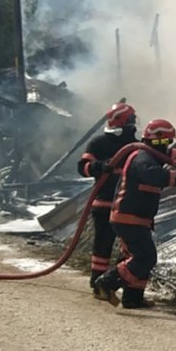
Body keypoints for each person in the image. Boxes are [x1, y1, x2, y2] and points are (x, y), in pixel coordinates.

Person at [95, 119, 176, 308]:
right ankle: (107, 282)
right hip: (129, 218)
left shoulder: (151, 153)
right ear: (159, 143)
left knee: (136, 257)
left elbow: (169, 154)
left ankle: (133, 299)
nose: (169, 147)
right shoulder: (143, 159)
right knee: (145, 257)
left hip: (136, 218)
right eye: (167, 142)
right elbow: (156, 176)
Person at [77, 102, 138, 298]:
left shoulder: (134, 145)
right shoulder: (99, 143)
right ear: (121, 121)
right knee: (102, 247)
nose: (134, 123)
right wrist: (99, 166)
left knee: (130, 249)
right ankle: (98, 285)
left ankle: (116, 284)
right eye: (131, 120)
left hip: (126, 206)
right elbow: (82, 167)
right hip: (104, 205)